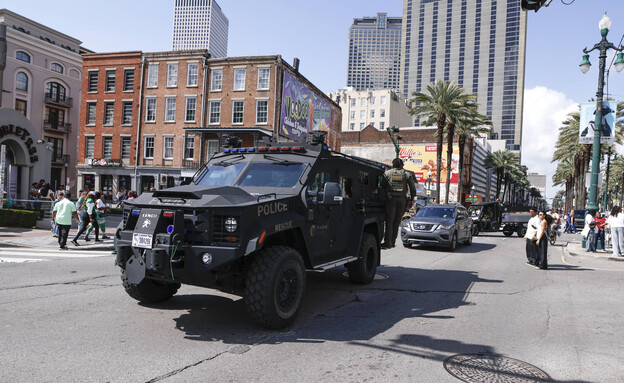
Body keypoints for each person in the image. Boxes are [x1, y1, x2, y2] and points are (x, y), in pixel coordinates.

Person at [381, 158, 417, 249]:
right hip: (402, 200)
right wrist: (411, 199)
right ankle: (393, 242)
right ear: (401, 165)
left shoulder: (387, 173)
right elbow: (412, 189)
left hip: (390, 200)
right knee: (396, 222)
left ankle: (387, 243)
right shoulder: (406, 174)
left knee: (389, 222)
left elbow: (381, 186)